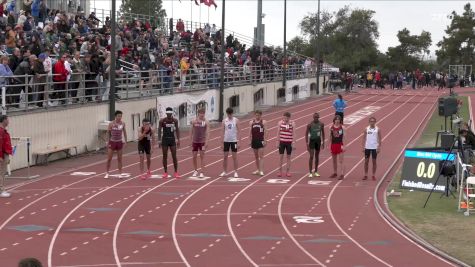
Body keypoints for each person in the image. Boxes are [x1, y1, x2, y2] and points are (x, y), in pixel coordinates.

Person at [158, 107, 180, 179]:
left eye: (170, 113)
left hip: (172, 140)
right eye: (168, 114)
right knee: (165, 156)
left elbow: (177, 130)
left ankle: (176, 172)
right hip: (165, 140)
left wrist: (178, 139)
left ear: (172, 113)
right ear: (166, 113)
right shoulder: (162, 121)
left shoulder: (175, 121)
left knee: (174, 156)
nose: (169, 115)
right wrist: (159, 140)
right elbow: (159, 130)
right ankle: (165, 172)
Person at [105, 110, 127, 179]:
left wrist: (126, 141)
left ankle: (120, 173)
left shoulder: (123, 123)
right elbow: (108, 133)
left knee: (119, 159)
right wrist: (107, 141)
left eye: (121, 116)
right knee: (109, 159)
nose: (120, 117)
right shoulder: (111, 123)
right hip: (112, 142)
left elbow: (125, 132)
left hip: (119, 142)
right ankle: (107, 173)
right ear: (115, 116)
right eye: (118, 116)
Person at [220, 107, 240, 178]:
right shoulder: (224, 121)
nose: (229, 116)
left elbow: (239, 131)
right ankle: (224, 171)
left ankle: (236, 172)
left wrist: (239, 142)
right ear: (227, 114)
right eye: (228, 114)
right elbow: (222, 132)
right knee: (225, 157)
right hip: (226, 141)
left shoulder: (236, 120)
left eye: (230, 114)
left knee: (234, 157)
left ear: (232, 113)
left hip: (234, 141)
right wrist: (221, 143)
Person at [190, 108, 210, 178]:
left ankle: (202, 171)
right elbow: (191, 131)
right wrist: (190, 140)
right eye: (201, 113)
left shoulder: (206, 122)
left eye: (203, 113)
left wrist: (207, 141)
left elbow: (208, 132)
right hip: (195, 141)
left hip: (202, 142)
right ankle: (195, 170)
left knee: (202, 156)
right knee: (194, 156)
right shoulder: (194, 121)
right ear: (198, 113)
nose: (202, 114)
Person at [305, 112, 325, 177]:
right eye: (315, 117)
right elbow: (306, 134)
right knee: (311, 156)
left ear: (318, 117)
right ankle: (310, 172)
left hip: (318, 141)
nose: (316, 118)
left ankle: (316, 171)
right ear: (313, 117)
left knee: (317, 156)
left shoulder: (321, 124)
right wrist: (307, 144)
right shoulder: (310, 125)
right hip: (312, 141)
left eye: (317, 117)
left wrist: (323, 142)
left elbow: (323, 133)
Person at [277, 112, 295, 177]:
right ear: (283, 117)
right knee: (280, 157)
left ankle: (288, 171)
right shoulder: (280, 123)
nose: (286, 119)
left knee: (288, 157)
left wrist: (294, 143)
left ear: (289, 117)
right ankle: (280, 171)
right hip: (282, 141)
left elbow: (294, 133)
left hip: (289, 142)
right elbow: (278, 132)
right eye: (284, 117)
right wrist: (277, 141)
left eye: (287, 117)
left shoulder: (292, 123)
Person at [250, 110, 267, 176]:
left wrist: (265, 140)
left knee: (261, 156)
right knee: (256, 156)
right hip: (254, 140)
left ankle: (261, 170)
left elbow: (266, 131)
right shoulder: (251, 122)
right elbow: (250, 132)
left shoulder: (264, 122)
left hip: (261, 140)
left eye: (258, 115)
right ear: (255, 115)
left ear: (261, 115)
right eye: (256, 115)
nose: (257, 116)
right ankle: (258, 170)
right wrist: (249, 140)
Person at [0, 115, 12, 198]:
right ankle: (1, 191)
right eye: (8, 120)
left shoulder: (3, 131)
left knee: (2, 173)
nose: (9, 121)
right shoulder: (1, 131)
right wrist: (0, 156)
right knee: (1, 173)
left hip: (5, 154)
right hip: (2, 154)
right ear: (4, 120)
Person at [330, 115, 345, 180]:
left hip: (340, 144)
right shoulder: (331, 127)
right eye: (336, 119)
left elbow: (344, 137)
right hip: (333, 144)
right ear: (334, 120)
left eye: (338, 119)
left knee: (341, 160)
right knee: (334, 160)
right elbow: (330, 137)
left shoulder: (343, 127)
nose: (337, 120)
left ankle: (342, 174)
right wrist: (329, 145)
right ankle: (335, 173)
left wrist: (344, 145)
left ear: (340, 120)